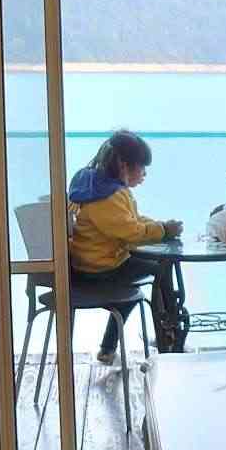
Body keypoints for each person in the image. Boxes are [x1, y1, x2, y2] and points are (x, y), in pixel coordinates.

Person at [67, 130, 182, 363]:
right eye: (142, 167)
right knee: (162, 268)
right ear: (124, 165)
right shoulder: (107, 196)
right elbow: (131, 232)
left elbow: (132, 220)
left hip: (85, 265)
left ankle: (109, 348)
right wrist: (163, 230)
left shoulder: (94, 186)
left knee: (131, 289)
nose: (145, 173)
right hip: (102, 269)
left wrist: (159, 226)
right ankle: (169, 334)